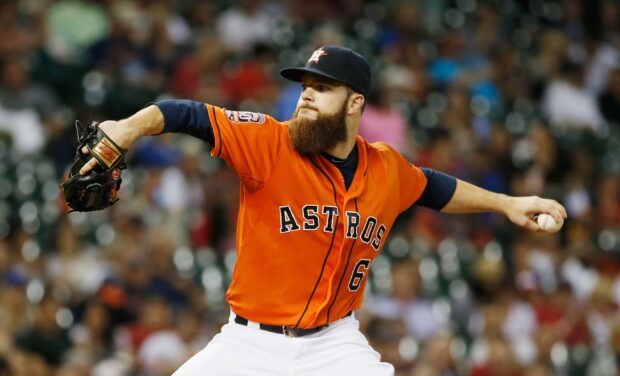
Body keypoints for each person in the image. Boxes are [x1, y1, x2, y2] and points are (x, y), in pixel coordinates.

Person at [78, 45, 567, 375]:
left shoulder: (386, 169)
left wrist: (507, 204)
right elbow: (189, 114)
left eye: (323, 87)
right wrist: (128, 127)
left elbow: (435, 189)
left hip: (335, 345)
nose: (307, 94)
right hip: (250, 344)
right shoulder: (271, 144)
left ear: (355, 103)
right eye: (304, 85)